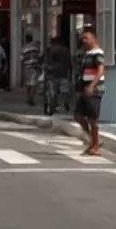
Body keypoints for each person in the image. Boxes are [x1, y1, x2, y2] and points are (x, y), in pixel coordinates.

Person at [75, 28, 106, 156]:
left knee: (92, 119)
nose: (84, 40)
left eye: (87, 38)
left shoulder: (98, 53)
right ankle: (93, 140)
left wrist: (92, 85)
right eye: (83, 38)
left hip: (94, 89)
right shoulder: (87, 53)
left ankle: (95, 146)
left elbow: (100, 70)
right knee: (78, 116)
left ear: (94, 39)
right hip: (84, 87)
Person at [45, 34, 74, 113]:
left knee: (54, 91)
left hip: (53, 73)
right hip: (64, 72)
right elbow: (70, 62)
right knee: (64, 90)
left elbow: (49, 61)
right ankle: (65, 103)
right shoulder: (66, 50)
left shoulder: (52, 49)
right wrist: (70, 72)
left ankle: (55, 104)